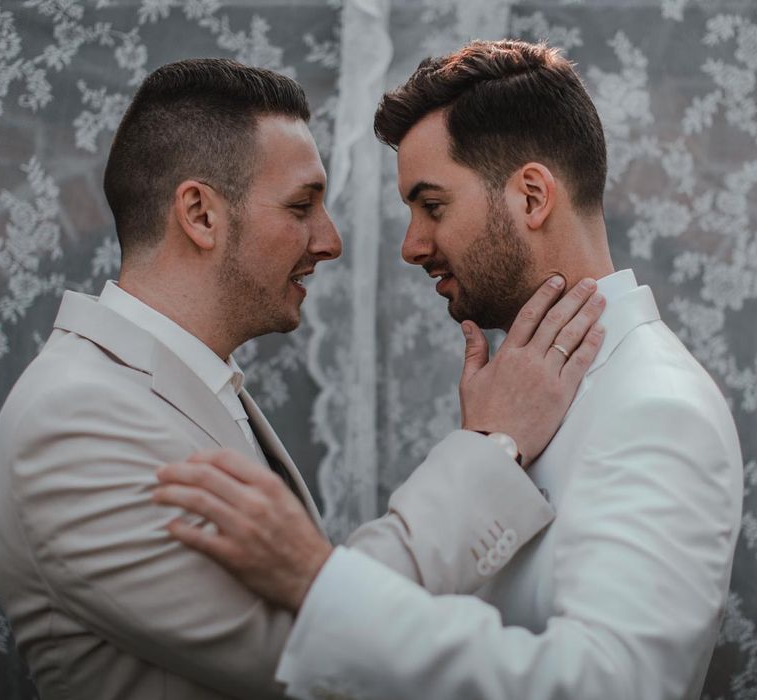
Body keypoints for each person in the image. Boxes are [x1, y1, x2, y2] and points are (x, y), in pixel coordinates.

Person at [0, 58, 605, 699]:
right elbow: (301, 646)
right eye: (301, 205)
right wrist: (491, 446)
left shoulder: (181, 386)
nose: (330, 240)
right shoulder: (74, 419)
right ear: (200, 215)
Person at [154, 41, 744, 700]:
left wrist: (324, 584)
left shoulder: (656, 407)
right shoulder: (531, 387)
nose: (411, 247)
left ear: (530, 196)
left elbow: (611, 687)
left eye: (432, 206)